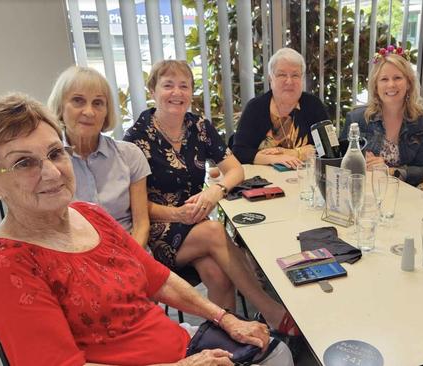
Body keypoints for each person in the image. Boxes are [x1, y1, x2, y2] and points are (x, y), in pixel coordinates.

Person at [0, 94, 293, 366]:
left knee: (276, 352)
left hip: (177, 343)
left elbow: (156, 278)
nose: (53, 173)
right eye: (24, 163)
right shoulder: (3, 263)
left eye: (55, 153)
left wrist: (224, 318)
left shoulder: (89, 214)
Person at [124, 60, 300, 336]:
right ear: (153, 90)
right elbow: (135, 205)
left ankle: (227, 341)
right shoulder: (137, 137)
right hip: (160, 231)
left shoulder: (199, 127)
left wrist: (215, 191)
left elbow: (235, 170)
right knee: (216, 229)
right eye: (168, 85)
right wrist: (177, 214)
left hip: (196, 225)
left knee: (217, 275)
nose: (177, 93)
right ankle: (270, 310)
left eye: (184, 86)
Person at [47, 66, 151, 247]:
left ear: (106, 111)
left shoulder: (130, 155)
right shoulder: (47, 165)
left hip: (132, 253)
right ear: (60, 107)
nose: (89, 112)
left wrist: (132, 261)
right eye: (78, 101)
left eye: (97, 103)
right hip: (78, 259)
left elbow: (141, 225)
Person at [342, 47, 423, 186]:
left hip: (403, 195)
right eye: (384, 79)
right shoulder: (357, 119)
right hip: (365, 192)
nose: (391, 84)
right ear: (376, 86)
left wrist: (390, 171)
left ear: (408, 83)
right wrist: (358, 162)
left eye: (397, 78)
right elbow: (338, 163)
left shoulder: (421, 120)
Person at [232, 47, 329, 169]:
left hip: (305, 178)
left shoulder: (313, 105)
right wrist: (276, 158)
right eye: (282, 75)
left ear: (302, 79)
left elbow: (329, 149)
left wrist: (292, 153)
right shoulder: (256, 107)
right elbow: (239, 153)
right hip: (264, 181)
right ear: (270, 78)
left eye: (295, 75)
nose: (289, 81)